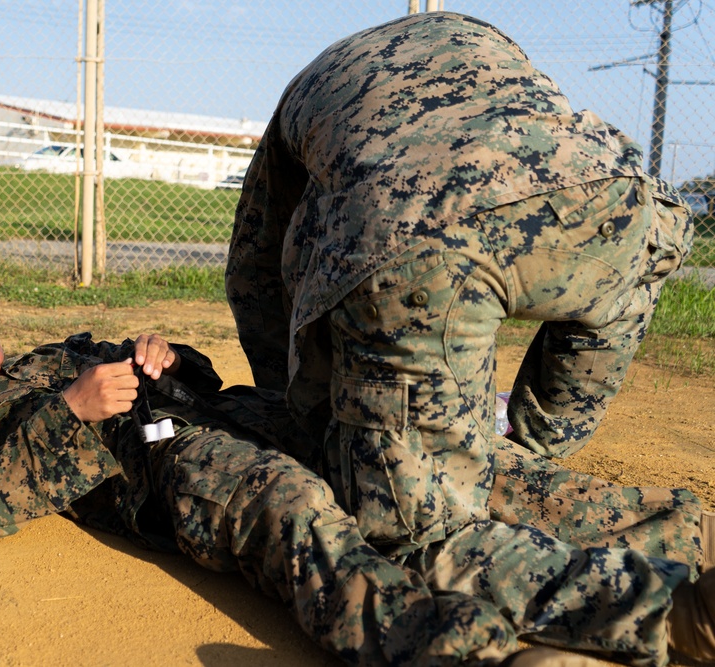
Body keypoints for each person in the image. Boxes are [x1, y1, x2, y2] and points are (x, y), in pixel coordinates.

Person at [0, 256, 715, 666]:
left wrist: (168, 357)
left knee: (425, 473)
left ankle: (686, 568)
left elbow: (198, 377)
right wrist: (70, 411)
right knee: (296, 507)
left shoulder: (65, 344)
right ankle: (489, 653)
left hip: (249, 414)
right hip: (169, 463)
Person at [226, 6, 697, 591]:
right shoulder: (481, 41)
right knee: (521, 456)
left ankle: (655, 611)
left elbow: (255, 267)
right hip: (621, 210)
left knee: (411, 534)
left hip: (421, 243)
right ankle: (689, 532)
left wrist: (292, 411)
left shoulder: (307, 95)